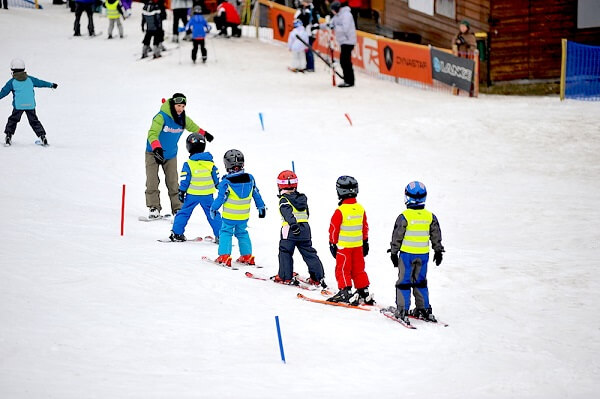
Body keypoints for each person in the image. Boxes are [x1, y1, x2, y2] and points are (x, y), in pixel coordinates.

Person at [145, 93, 214, 219]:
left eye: (183, 106)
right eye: (178, 106)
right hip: (153, 152)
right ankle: (154, 207)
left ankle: (177, 209)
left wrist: (205, 134)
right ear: (172, 105)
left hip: (170, 154)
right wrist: (157, 148)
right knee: (152, 181)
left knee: (173, 182)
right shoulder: (161, 117)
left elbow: (193, 126)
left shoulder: (183, 119)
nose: (180, 109)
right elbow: (152, 133)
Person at [389, 181, 444, 325]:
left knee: (404, 282)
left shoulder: (404, 216)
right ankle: (424, 308)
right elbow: (436, 234)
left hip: (407, 255)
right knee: (420, 282)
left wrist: (394, 252)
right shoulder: (430, 216)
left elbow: (397, 235)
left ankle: (402, 309)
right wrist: (438, 250)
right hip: (423, 255)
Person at [210, 149, 266, 267]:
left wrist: (213, 208)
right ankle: (247, 256)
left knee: (225, 232)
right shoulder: (250, 179)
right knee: (242, 233)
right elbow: (256, 194)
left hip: (229, 216)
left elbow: (220, 198)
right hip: (243, 216)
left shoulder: (226, 182)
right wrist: (261, 207)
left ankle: (224, 256)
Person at [274, 170, 326, 287]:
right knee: (309, 252)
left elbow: (287, 214)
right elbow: (307, 213)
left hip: (290, 229)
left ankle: (285, 276)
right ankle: (317, 277)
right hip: (305, 228)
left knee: (285, 252)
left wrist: (293, 225)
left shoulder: (284, 199)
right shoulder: (302, 198)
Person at [327, 176, 374, 305]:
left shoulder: (340, 211)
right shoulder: (360, 209)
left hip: (343, 248)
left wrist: (332, 243)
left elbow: (334, 229)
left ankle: (345, 290)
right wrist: (365, 242)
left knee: (343, 269)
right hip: (358, 247)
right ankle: (363, 289)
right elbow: (364, 227)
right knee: (359, 269)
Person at [169, 133, 222, 242]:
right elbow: (216, 178)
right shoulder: (210, 164)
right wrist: (220, 188)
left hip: (192, 194)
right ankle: (221, 235)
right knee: (213, 213)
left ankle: (177, 233)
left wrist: (181, 191)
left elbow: (185, 179)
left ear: (188, 147)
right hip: (207, 195)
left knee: (184, 212)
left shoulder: (188, 164)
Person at [0, 59, 57, 147]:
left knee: (13, 120)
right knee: (34, 121)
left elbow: (4, 92)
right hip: (30, 105)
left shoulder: (12, 82)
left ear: (12, 70)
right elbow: (40, 82)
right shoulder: (30, 79)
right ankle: (43, 137)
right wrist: (51, 85)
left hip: (18, 106)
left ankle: (8, 136)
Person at [327, 1, 356, 87]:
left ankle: (349, 80)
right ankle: (348, 79)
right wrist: (319, 26)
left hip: (348, 41)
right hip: (343, 41)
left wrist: (335, 27)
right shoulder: (337, 16)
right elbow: (331, 24)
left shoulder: (346, 15)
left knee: (345, 61)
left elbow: (345, 29)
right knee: (344, 61)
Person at [294, 0, 320, 72]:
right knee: (305, 50)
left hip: (310, 34)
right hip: (304, 33)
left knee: (309, 50)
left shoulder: (312, 11)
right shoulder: (302, 9)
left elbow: (315, 23)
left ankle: (311, 67)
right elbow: (298, 19)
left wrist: (313, 33)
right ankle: (307, 65)